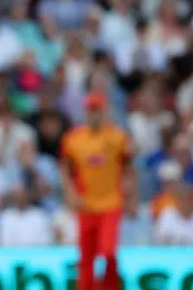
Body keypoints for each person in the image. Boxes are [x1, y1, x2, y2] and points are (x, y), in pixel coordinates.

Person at [59, 92, 138, 290]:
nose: (94, 115)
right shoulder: (74, 139)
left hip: (111, 203)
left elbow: (129, 167)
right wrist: (70, 193)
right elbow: (66, 169)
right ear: (86, 112)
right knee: (86, 257)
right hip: (85, 205)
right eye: (91, 110)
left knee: (109, 251)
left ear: (104, 112)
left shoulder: (117, 137)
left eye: (98, 110)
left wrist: (132, 196)